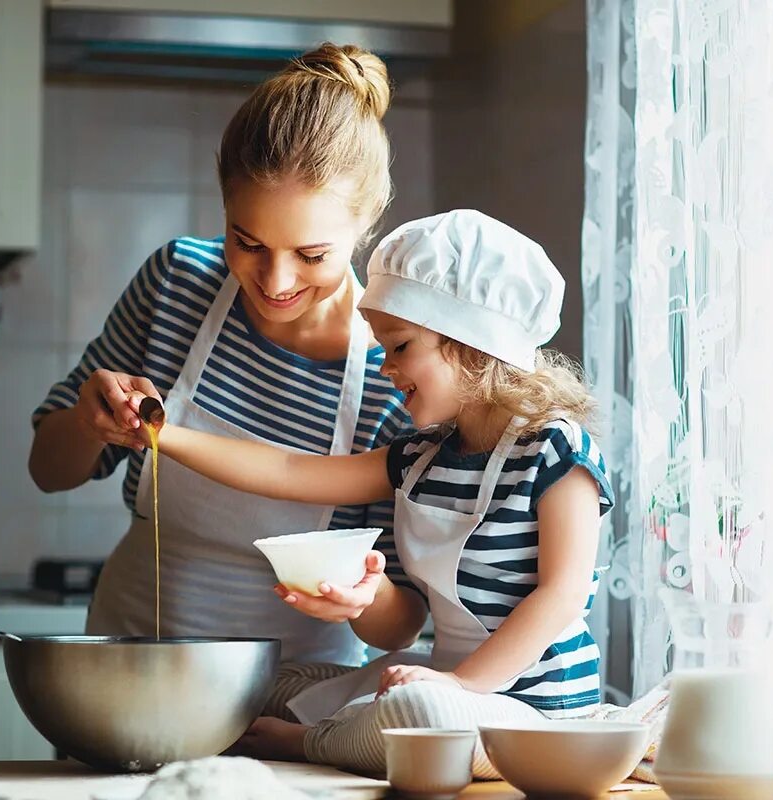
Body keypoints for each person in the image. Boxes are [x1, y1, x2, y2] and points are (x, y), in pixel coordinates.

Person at [141, 210, 616, 777]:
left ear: (470, 343)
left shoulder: (557, 451)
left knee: (421, 710)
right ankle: (342, 725)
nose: (386, 367)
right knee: (276, 680)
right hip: (445, 686)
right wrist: (161, 434)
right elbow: (291, 471)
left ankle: (308, 742)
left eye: (400, 347)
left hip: (535, 717)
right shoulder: (421, 457)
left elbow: (561, 596)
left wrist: (460, 685)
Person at [27, 43, 423, 712]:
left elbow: (402, 619)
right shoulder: (176, 284)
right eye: (248, 242)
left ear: (366, 223)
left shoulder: (395, 366)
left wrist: (362, 598)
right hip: (128, 680)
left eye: (312, 254)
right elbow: (49, 468)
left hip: (294, 706)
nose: (275, 281)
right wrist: (89, 424)